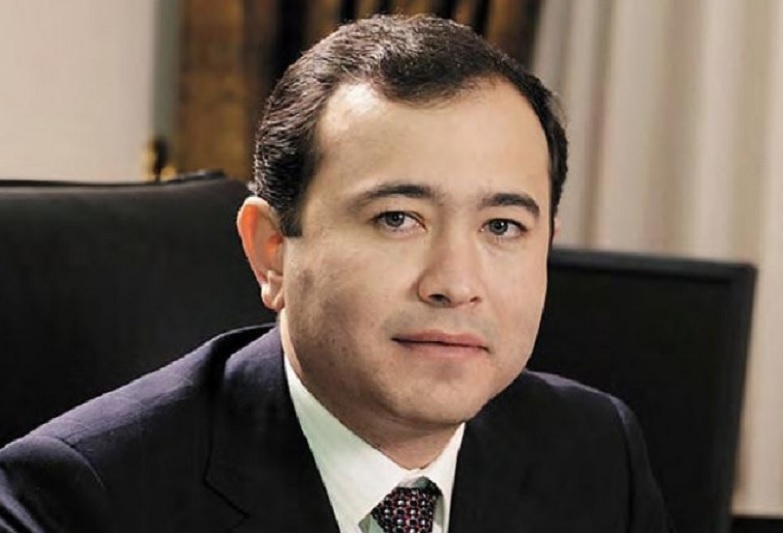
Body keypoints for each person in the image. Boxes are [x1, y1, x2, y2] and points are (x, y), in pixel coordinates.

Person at [0, 14, 671, 532]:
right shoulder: (81, 498)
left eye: (501, 227)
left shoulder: (595, 449)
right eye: (398, 219)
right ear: (272, 250)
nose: (455, 283)